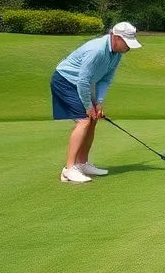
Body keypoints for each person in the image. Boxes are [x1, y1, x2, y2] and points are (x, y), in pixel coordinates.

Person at [51, 21, 142, 183]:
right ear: (115, 37)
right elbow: (83, 81)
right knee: (84, 121)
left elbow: (105, 79)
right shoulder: (97, 50)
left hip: (80, 84)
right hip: (65, 81)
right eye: (126, 43)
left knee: (93, 120)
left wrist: (98, 103)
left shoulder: (116, 55)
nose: (128, 47)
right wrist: (88, 106)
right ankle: (68, 169)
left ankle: (82, 163)